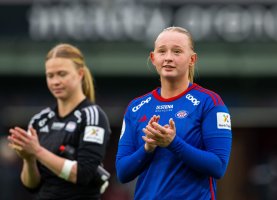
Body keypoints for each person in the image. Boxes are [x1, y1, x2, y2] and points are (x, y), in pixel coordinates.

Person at [116, 27, 232, 200]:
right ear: (153, 58)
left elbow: (218, 166)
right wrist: (148, 148)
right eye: (162, 51)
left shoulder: (210, 102)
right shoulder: (136, 107)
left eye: (177, 51)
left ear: (192, 59)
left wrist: (172, 143)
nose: (168, 57)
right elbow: (122, 172)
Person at [8, 43, 111, 200]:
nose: (55, 81)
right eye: (50, 75)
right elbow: (31, 185)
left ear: (80, 74)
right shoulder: (40, 120)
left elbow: (84, 174)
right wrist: (28, 159)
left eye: (62, 74)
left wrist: (37, 151)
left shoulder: (92, 116)